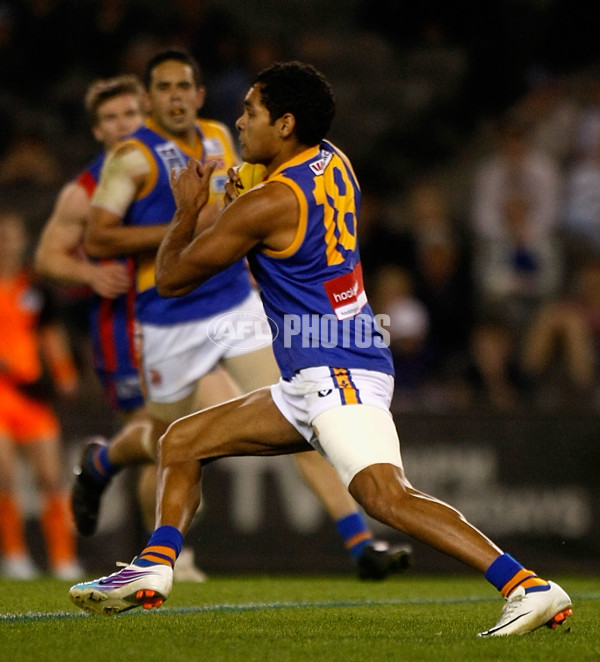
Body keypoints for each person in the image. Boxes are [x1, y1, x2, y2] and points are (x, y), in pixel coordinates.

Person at [69, 61, 573, 636]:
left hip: (336, 369)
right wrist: (243, 189)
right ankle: (154, 568)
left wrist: (187, 212)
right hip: (322, 364)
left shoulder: (267, 204)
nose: (239, 121)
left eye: (252, 112)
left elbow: (172, 278)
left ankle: (526, 585)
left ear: (285, 124)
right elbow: (288, 208)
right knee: (181, 441)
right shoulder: (334, 159)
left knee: (386, 495)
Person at [73, 50, 411, 580]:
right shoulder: (130, 157)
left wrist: (231, 228)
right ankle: (103, 466)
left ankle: (360, 544)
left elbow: (255, 208)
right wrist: (195, 224)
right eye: (163, 88)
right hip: (168, 316)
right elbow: (96, 238)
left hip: (232, 302)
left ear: (200, 93)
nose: (176, 96)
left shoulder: (220, 139)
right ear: (149, 99)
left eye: (185, 85)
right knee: (161, 438)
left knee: (306, 406)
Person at [34, 74, 206, 581]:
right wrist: (88, 272)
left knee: (187, 431)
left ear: (146, 116)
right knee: (161, 435)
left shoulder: (172, 171)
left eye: (130, 114)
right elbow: (46, 256)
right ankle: (165, 553)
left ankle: (106, 471)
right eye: (110, 118)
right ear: (96, 131)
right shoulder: (84, 191)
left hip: (189, 319)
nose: (121, 125)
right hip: (122, 327)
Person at [0, 209, 82, 580]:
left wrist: (64, 372)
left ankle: (63, 559)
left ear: (22, 240)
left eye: (11, 234)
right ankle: (15, 556)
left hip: (32, 394)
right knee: (4, 474)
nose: (5, 241)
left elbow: (51, 332)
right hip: (1, 393)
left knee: (51, 477)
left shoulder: (35, 287)